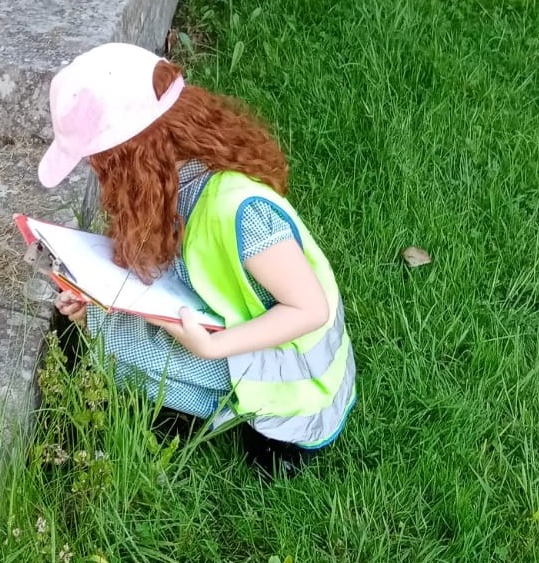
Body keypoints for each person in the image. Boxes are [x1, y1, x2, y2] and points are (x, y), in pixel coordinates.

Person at [37, 42, 357, 476]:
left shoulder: (241, 211)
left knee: (129, 343)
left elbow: (310, 309)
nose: (100, 175)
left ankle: (252, 428)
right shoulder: (174, 184)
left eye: (104, 165)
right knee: (115, 329)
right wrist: (92, 298)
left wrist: (213, 347)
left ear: (135, 156)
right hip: (243, 333)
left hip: (299, 385)